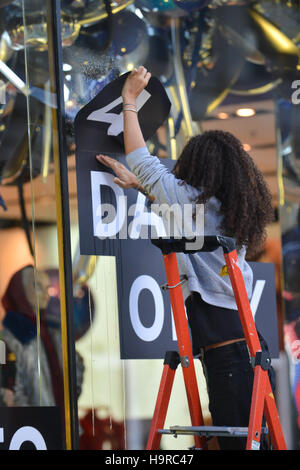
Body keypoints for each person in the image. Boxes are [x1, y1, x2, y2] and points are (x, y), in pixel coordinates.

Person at [96, 66, 275, 450]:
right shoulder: (222, 209)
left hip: (230, 357)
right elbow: (183, 214)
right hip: (242, 350)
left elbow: (144, 161)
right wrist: (146, 188)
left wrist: (129, 101)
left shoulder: (193, 204)